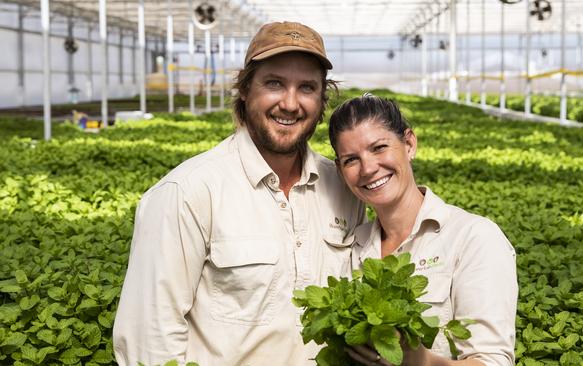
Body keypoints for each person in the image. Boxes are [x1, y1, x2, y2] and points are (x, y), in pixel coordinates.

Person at [113, 22, 365, 366]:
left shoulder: (343, 187)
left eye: (306, 87)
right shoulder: (188, 191)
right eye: (274, 83)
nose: (290, 104)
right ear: (246, 89)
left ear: (322, 98)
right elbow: (149, 337)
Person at [328, 94, 518, 366]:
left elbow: (492, 361)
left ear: (409, 144)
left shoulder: (473, 238)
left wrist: (425, 362)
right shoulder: (349, 248)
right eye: (351, 160)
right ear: (340, 170)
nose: (368, 168)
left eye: (379, 147)